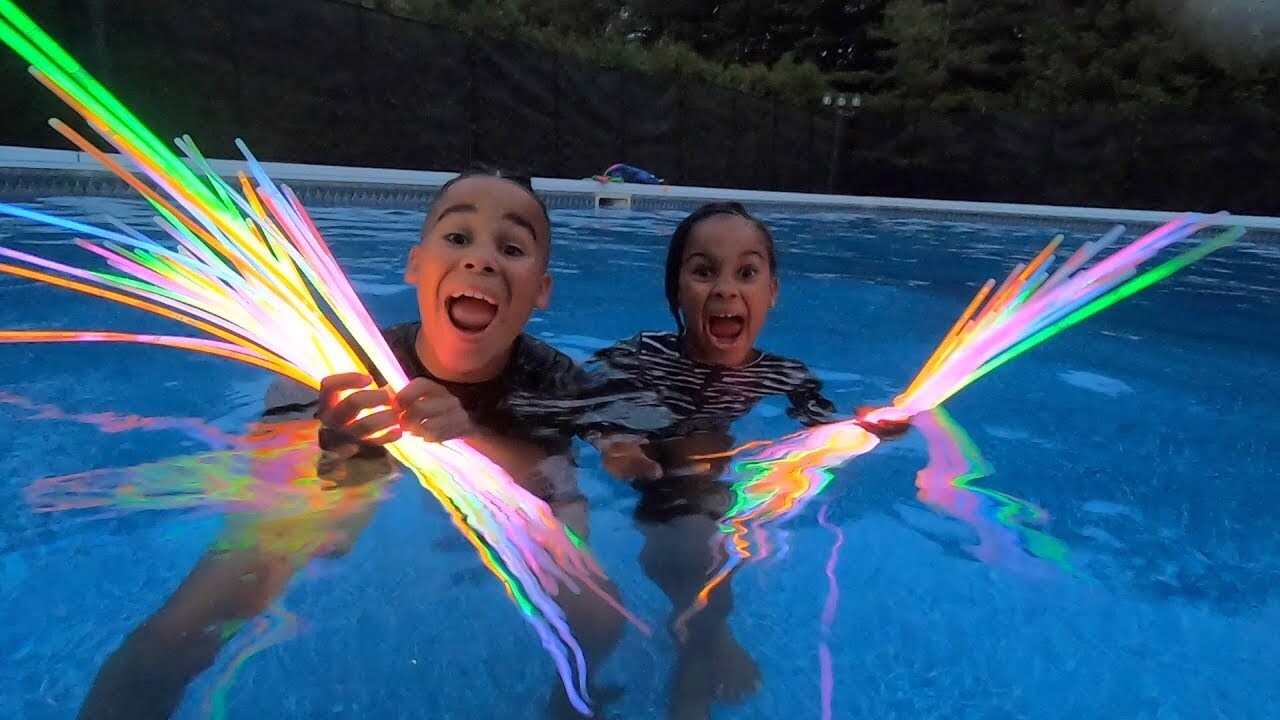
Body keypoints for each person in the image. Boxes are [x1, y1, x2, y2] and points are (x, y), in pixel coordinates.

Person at [77, 167, 655, 720]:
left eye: (511, 248)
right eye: (458, 237)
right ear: (416, 265)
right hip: (365, 457)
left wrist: (485, 439)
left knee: (598, 616)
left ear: (541, 291)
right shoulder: (348, 361)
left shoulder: (555, 379)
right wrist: (334, 444)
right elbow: (269, 448)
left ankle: (569, 702)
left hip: (514, 467)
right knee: (189, 623)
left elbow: (587, 466)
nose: (480, 258)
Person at [587, 201, 907, 720]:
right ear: (676, 292)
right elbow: (580, 393)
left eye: (747, 272)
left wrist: (869, 428)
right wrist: (610, 440)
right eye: (703, 271)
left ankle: (702, 631)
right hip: (657, 466)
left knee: (705, 533)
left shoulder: (784, 375)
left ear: (771, 293)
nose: (726, 289)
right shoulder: (642, 354)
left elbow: (823, 430)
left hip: (714, 479)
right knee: (697, 528)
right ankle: (699, 654)